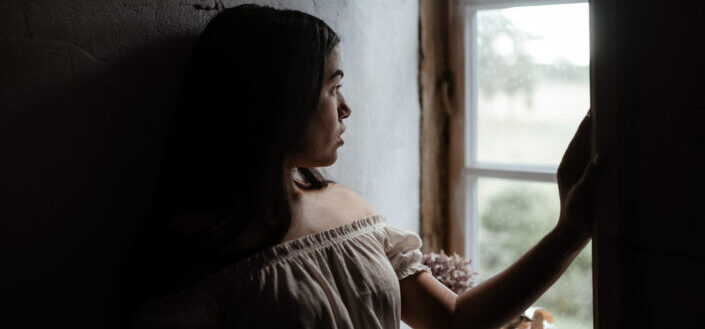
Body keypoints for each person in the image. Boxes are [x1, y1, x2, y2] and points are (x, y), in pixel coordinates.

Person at [125, 4, 599, 329]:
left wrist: (570, 231)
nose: (346, 107)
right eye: (332, 89)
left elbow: (454, 320)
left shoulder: (347, 208)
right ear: (276, 102)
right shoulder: (192, 253)